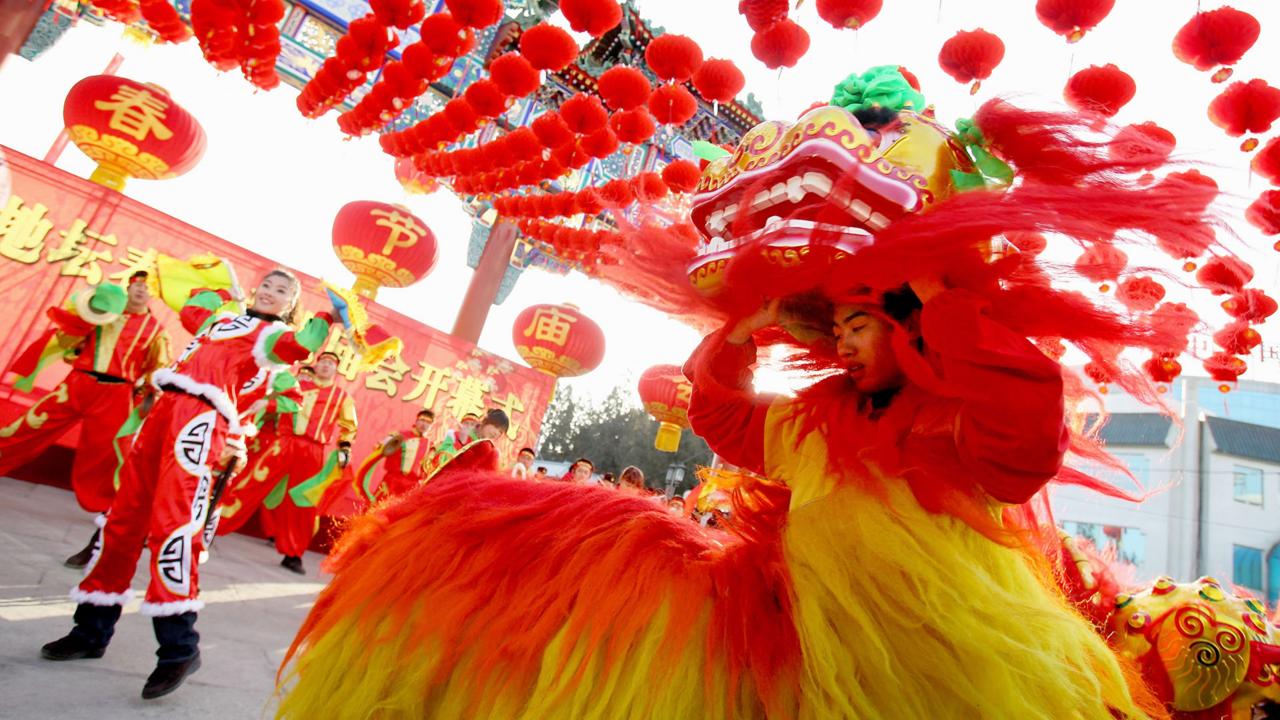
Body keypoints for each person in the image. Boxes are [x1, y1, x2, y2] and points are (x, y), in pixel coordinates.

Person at [274, 70, 1247, 718]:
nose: (850, 335)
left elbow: (1023, 438)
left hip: (951, 644)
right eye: (839, 322)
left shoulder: (951, 412)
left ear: (909, 323)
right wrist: (732, 346)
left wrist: (947, 304)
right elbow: (731, 423)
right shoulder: (818, 420)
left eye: (870, 316)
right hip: (797, 618)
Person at [41, 268, 330, 700]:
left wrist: (328, 319)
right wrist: (211, 288)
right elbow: (193, 310)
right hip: (163, 414)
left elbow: (299, 346)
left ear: (290, 305)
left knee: (175, 526)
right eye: (267, 285)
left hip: (200, 423)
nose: (271, 293)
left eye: (283, 291)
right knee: (121, 521)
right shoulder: (224, 320)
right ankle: (91, 631)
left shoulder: (271, 336)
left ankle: (179, 648)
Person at [0, 272, 169, 567]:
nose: (142, 290)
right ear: (128, 288)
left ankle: (102, 536)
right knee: (24, 428)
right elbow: (68, 345)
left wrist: (146, 404)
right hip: (76, 384)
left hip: (116, 395)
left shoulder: (155, 330)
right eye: (138, 285)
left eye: (148, 287)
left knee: (111, 463)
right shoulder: (102, 313)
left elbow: (157, 371)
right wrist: (81, 320)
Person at [269, 350, 357, 574]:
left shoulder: (342, 397)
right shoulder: (298, 387)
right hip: (285, 442)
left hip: (313, 451)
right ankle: (214, 525)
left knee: (304, 502)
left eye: (331, 363)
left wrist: (344, 449)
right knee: (253, 481)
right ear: (316, 365)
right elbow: (275, 403)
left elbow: (349, 427)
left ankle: (293, 553)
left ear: (336, 370)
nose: (326, 365)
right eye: (323, 361)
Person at [355, 409, 434, 503]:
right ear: (416, 421)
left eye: (428, 422)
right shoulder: (399, 436)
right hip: (392, 481)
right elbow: (380, 448)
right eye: (422, 420)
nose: (424, 424)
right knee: (377, 506)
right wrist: (381, 445)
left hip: (411, 486)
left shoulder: (430, 445)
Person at [422, 408, 509, 480]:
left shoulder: (489, 451)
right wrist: (460, 443)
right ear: (485, 421)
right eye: (496, 427)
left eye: (500, 431)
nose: (496, 433)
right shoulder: (454, 436)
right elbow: (439, 463)